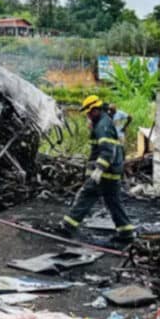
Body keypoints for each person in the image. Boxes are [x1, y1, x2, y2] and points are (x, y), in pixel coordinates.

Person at [59, 95, 135, 244]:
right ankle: (126, 232)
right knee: (113, 202)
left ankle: (68, 226)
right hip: (112, 170)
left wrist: (99, 170)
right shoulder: (103, 122)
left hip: (105, 172)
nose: (87, 116)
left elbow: (107, 150)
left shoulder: (102, 125)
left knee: (86, 195)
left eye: (88, 112)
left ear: (95, 110)